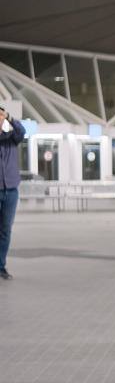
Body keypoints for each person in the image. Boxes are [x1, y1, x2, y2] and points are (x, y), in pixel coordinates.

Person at [0, 106, 26, 281]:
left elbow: (21, 130)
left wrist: (9, 116)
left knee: (5, 231)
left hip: (11, 190)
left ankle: (1, 266)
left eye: (1, 116)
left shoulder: (11, 139)